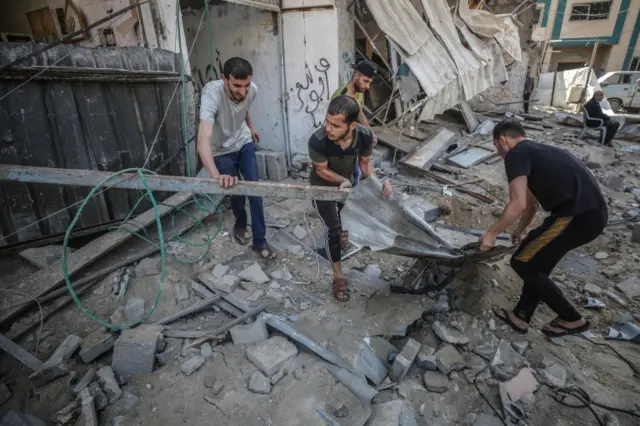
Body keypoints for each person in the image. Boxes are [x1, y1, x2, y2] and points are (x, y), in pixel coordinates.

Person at [479, 120, 607, 338]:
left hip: (576, 216)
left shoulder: (516, 154)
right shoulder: (538, 152)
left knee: (521, 261)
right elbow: (531, 205)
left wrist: (491, 234)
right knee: (537, 261)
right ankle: (521, 315)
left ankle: (571, 318)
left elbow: (517, 203)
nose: (500, 154)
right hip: (589, 214)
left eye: (497, 147)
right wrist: (520, 231)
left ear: (502, 140)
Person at [309, 95, 392, 302]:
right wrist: (342, 180)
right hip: (322, 188)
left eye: (336, 125)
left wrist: (379, 184)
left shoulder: (363, 136)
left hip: (347, 187)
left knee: (346, 224)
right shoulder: (318, 140)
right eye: (327, 121)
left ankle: (341, 239)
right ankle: (338, 277)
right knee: (333, 229)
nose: (328, 128)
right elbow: (322, 170)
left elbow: (365, 166)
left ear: (352, 125)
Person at [196, 57, 276, 260]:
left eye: (246, 85)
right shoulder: (211, 93)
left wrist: (251, 126)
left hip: (243, 142)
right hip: (221, 149)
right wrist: (216, 176)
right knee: (236, 193)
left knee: (255, 190)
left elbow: (244, 107)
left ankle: (260, 241)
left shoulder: (252, 90)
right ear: (224, 79)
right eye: (237, 86)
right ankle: (240, 225)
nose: (242, 91)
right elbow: (203, 139)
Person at [331, 60, 379, 185]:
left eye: (370, 82)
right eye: (366, 81)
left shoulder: (359, 91)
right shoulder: (342, 98)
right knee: (343, 185)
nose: (368, 87)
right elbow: (338, 128)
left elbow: (359, 113)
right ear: (356, 75)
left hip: (353, 147)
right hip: (340, 151)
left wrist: (370, 131)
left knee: (355, 178)